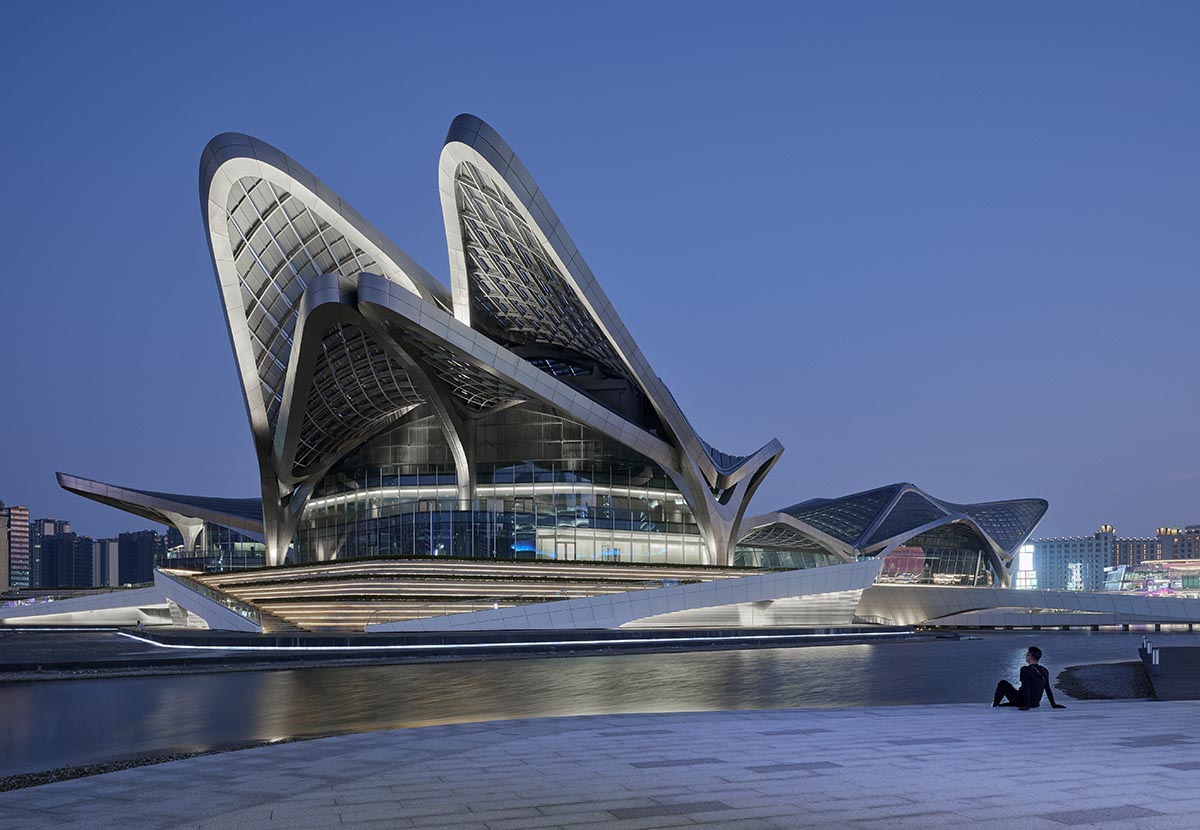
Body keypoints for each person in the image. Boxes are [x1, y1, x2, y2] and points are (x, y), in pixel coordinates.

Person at [993, 646, 1067, 710]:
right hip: (1035, 703)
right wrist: (1053, 704)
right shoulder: (1044, 670)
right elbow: (1047, 688)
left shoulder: (1025, 669)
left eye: (1027, 655)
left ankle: (995, 705)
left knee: (1002, 683)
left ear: (1030, 657)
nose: (1026, 656)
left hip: (1024, 701)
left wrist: (1026, 706)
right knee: (1012, 698)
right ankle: (1008, 704)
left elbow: (1026, 687)